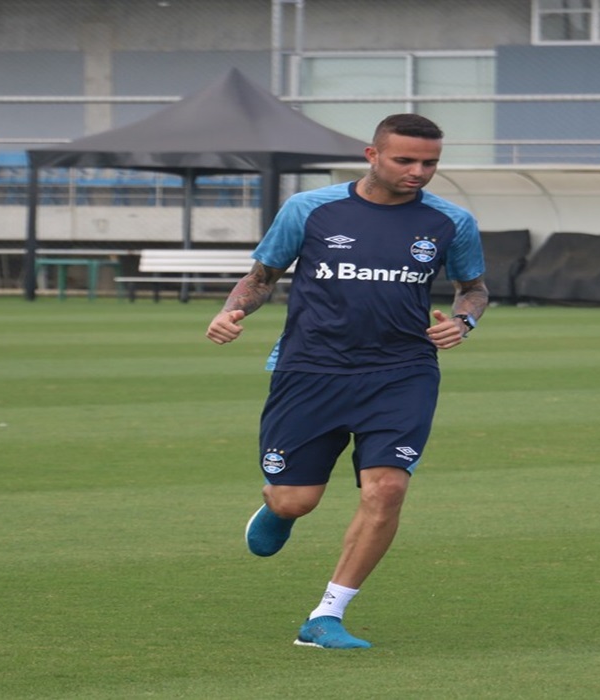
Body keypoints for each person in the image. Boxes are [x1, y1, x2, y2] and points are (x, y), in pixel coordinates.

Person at [206, 113, 489, 650]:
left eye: (430, 162)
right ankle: (277, 508)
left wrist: (465, 320)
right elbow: (261, 276)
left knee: (386, 489)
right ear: (372, 155)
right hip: (311, 370)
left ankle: (326, 616)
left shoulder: (451, 221)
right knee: (295, 500)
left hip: (402, 372)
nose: (419, 171)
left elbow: (473, 287)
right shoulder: (309, 209)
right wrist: (231, 311)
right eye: (405, 159)